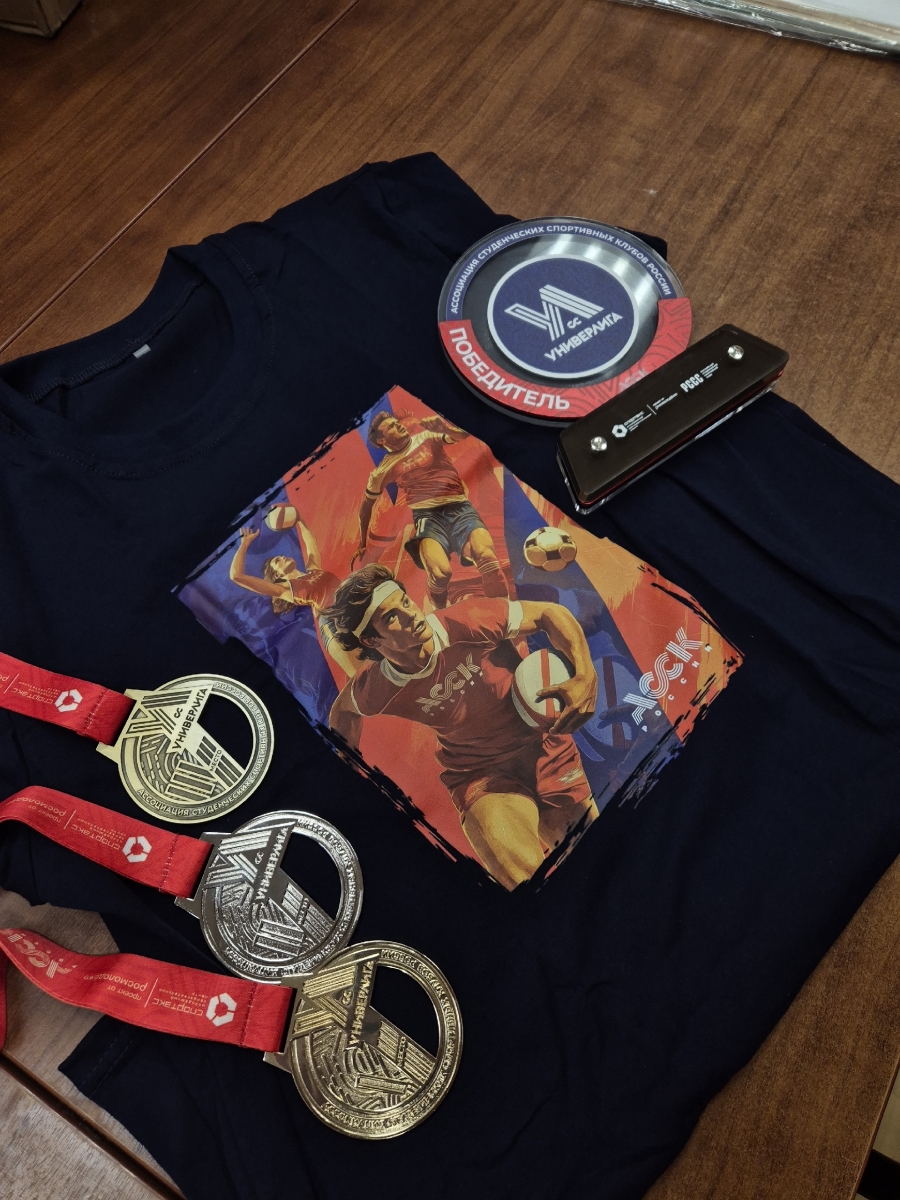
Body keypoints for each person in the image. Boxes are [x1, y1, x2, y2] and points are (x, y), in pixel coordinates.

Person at [325, 564, 599, 890]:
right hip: (480, 776)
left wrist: (585, 673)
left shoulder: (467, 619)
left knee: (599, 866)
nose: (410, 615)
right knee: (528, 883)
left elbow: (549, 614)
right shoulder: (379, 686)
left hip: (546, 751)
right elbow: (343, 712)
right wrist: (346, 772)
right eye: (392, 617)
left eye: (405, 602)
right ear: (372, 639)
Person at [351, 411, 507, 609]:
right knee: (441, 574)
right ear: (382, 440)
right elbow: (366, 508)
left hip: (460, 509)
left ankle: (506, 618)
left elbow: (463, 435)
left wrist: (445, 428)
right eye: (391, 426)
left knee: (487, 558)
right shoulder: (382, 471)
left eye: (396, 422)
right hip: (428, 519)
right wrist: (362, 543)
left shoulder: (426, 437)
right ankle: (440, 607)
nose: (398, 425)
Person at [229, 513, 358, 677]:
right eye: (277, 561)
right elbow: (237, 576)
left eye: (280, 556)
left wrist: (299, 520)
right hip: (334, 624)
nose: (282, 556)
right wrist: (245, 544)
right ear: (277, 575)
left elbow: (310, 540)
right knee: (358, 676)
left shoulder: (314, 569)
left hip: (351, 605)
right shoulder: (284, 590)